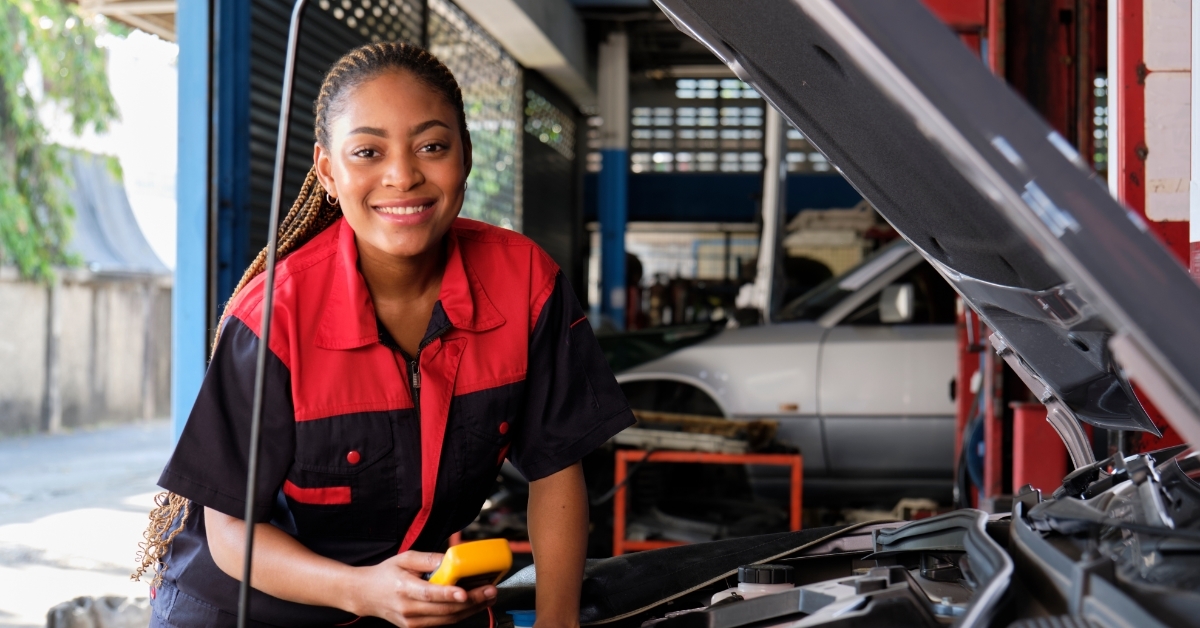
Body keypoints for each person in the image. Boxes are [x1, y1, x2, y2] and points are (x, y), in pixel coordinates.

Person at [135, 42, 634, 628]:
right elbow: (230, 529)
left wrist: (558, 623)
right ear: (327, 170)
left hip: (411, 604)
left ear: (465, 155)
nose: (403, 175)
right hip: (243, 607)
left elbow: (556, 472)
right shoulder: (275, 316)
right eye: (368, 151)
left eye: (432, 146)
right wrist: (360, 591)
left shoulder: (525, 283)